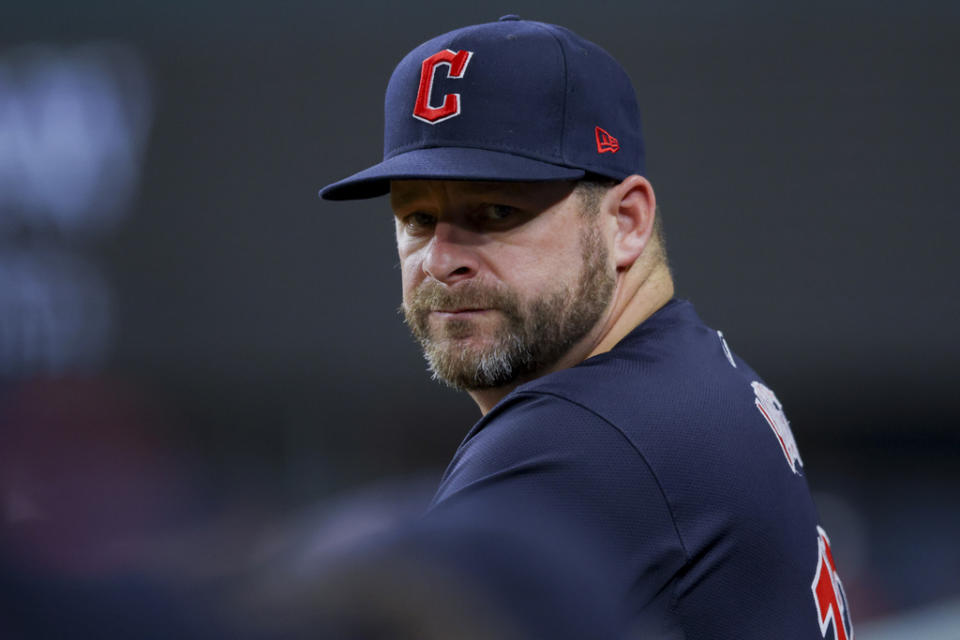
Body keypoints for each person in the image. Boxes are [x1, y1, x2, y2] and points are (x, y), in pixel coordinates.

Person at [319, 16, 854, 640]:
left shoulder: (576, 441)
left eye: (496, 211)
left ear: (626, 221)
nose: (440, 259)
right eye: (416, 218)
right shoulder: (682, 371)